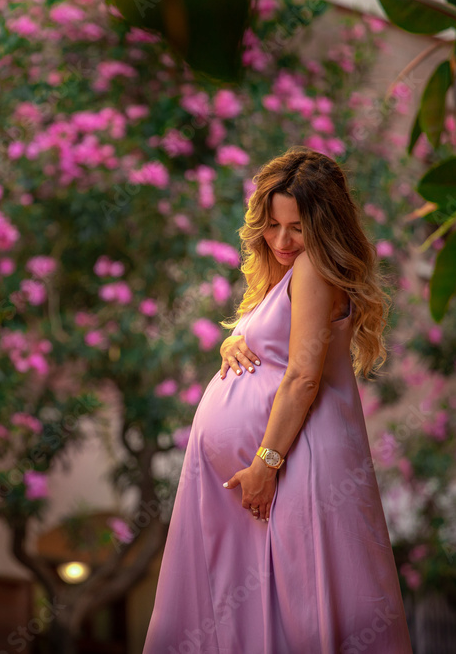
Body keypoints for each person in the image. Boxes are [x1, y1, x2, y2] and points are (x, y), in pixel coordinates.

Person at [143, 147, 414, 653]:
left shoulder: (314, 268)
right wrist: (233, 340)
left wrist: (266, 463)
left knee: (303, 614)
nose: (283, 240)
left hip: (293, 464)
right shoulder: (287, 274)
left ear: (325, 225)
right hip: (269, 473)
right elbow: (274, 347)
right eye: (272, 225)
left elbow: (303, 378)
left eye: (297, 227)